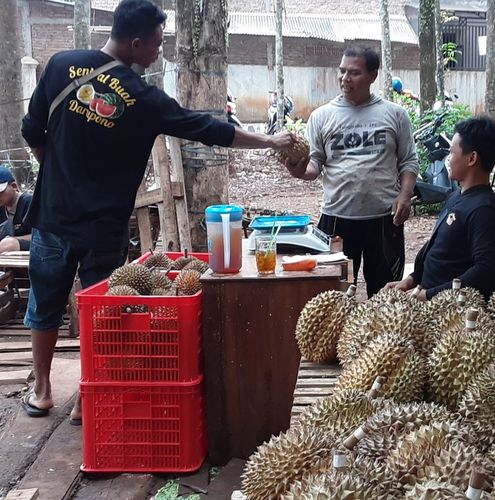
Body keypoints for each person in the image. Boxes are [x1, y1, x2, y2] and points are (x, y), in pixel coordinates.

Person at [19, 0, 295, 423]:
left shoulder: (61, 66)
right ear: (135, 42)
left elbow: (31, 131)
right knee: (104, 311)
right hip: (105, 227)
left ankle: (40, 391)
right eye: (157, 42)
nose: (159, 50)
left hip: (54, 214)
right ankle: (87, 398)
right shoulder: (144, 98)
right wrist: (270, 142)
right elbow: (209, 129)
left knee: (45, 303)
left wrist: (56, 171)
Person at [284, 47, 419, 297]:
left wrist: (405, 194)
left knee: (386, 295)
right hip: (337, 220)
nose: (345, 78)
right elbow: (315, 166)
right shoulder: (321, 117)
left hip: (383, 220)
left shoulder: (395, 115)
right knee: (334, 295)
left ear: (372, 75)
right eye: (342, 71)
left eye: (354, 73)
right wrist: (298, 170)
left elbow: (409, 161)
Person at [385, 116, 495, 300]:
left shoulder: (484, 209)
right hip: (424, 295)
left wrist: (430, 295)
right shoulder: (457, 195)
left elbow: (486, 271)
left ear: (472, 158)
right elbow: (441, 246)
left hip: (449, 312)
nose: (448, 159)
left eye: (452, 153)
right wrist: (411, 279)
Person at [0, 166, 33, 253]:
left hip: (32, 248)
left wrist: (14, 240)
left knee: (8, 244)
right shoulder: (1, 207)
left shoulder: (30, 202)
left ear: (14, 186)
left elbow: (44, 236)